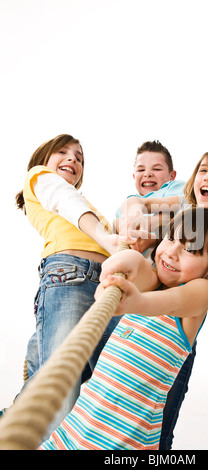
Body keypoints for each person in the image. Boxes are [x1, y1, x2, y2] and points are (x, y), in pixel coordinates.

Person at [39, 207, 208, 450]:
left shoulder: (201, 292)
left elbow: (171, 301)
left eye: (191, 249)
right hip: (73, 430)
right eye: (171, 238)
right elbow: (138, 268)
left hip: (123, 443)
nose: (172, 253)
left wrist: (136, 302)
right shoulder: (152, 282)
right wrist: (122, 262)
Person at [115, 149, 208, 449]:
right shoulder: (184, 206)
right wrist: (136, 213)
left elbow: (207, 232)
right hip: (142, 303)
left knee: (162, 406)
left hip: (181, 312)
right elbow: (135, 203)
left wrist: (158, 228)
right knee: (117, 381)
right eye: (203, 170)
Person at [13, 134, 134, 435]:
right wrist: (107, 238)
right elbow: (66, 199)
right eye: (63, 152)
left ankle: (35, 365)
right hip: (70, 275)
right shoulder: (40, 178)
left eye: (79, 158)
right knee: (64, 394)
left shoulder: (91, 210)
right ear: (44, 159)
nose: (73, 159)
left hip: (106, 285)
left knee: (97, 378)